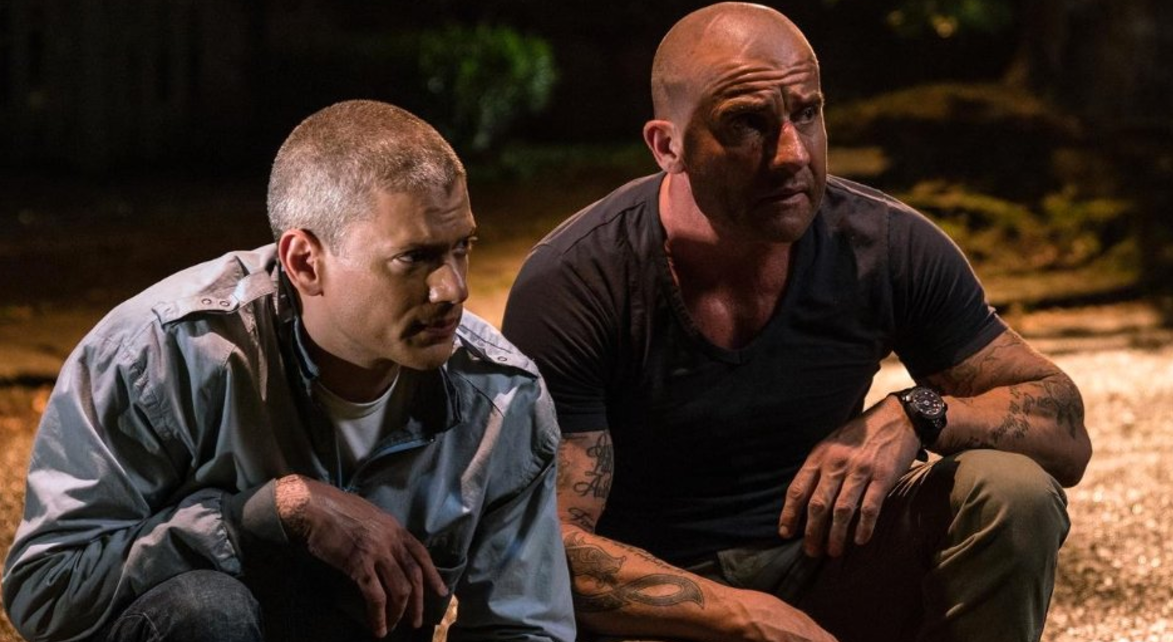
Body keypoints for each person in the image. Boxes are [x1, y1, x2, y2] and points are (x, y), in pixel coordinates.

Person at [502, 4, 1091, 642]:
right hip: (663, 612)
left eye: (806, 114)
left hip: (825, 570)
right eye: (746, 123)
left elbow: (1064, 430)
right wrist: (738, 616)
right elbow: (537, 545)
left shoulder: (884, 247)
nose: (791, 155)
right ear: (668, 146)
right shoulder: (577, 283)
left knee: (1011, 491)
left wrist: (918, 413)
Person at [3, 100, 575, 642]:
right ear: (305, 262)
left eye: (462, 247)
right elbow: (46, 589)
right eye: (415, 257)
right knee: (205, 610)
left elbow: (523, 626)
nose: (454, 288)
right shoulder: (162, 356)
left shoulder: (500, 398)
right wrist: (263, 516)